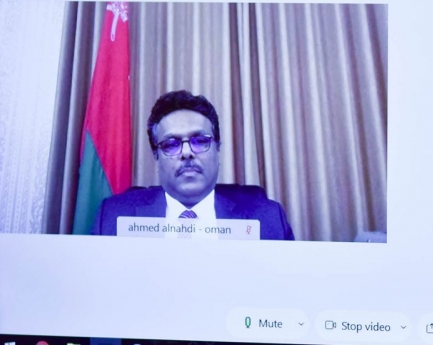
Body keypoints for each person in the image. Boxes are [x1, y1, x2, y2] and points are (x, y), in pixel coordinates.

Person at [92, 90, 295, 240]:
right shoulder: (114, 217)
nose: (187, 152)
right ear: (156, 156)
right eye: (171, 144)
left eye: (200, 141)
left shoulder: (268, 219)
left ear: (217, 148)